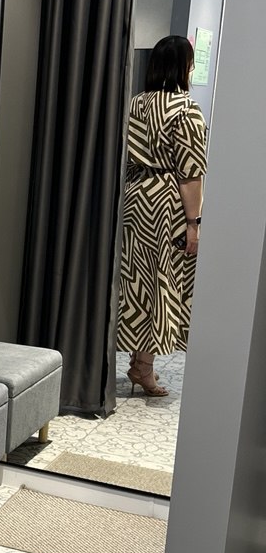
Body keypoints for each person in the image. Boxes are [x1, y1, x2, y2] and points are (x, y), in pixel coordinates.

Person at [118, 34, 207, 396]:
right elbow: (190, 173)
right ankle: (144, 368)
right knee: (161, 283)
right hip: (166, 203)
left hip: (133, 196)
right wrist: (193, 223)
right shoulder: (186, 109)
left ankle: (138, 363)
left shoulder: (136, 103)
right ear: (184, 66)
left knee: (134, 280)